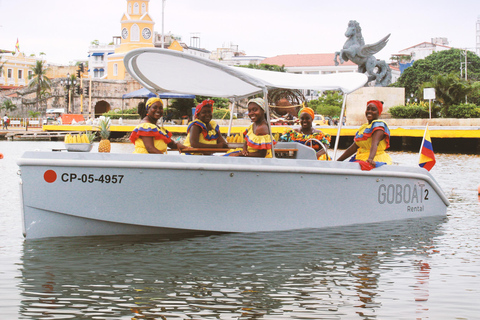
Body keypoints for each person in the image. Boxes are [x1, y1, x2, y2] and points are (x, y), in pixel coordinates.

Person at [337, 100, 392, 166]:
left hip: (375, 159)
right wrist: (337, 161)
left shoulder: (379, 126)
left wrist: (370, 159)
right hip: (361, 157)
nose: (369, 111)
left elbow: (375, 144)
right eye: (368, 109)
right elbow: (354, 147)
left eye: (373, 110)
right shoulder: (364, 127)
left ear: (378, 112)